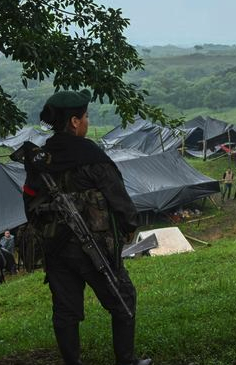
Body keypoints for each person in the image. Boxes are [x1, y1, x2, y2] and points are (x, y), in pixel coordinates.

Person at [20, 89, 151, 365]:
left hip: (56, 248)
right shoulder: (91, 156)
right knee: (122, 298)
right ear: (75, 122)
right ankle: (127, 361)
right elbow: (118, 196)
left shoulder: (40, 160)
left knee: (65, 310)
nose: (88, 121)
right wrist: (129, 226)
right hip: (95, 248)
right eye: (86, 116)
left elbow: (29, 203)